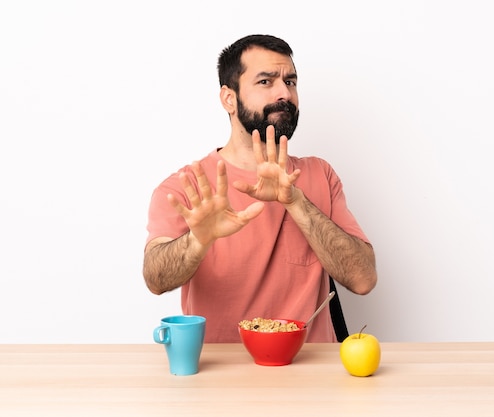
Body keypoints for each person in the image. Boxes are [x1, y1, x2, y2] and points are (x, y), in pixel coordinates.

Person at [143, 34, 377, 343]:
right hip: (220, 377)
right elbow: (156, 279)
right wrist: (198, 241)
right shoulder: (186, 187)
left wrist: (297, 203)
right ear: (229, 98)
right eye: (266, 82)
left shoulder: (320, 175)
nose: (284, 93)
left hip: (314, 376)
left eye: (291, 82)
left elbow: (363, 279)